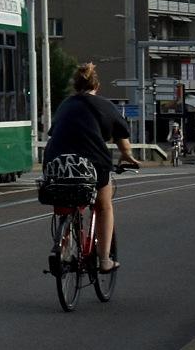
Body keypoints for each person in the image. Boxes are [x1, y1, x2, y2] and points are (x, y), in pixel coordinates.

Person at [40, 59, 131, 270]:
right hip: (92, 163)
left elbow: (55, 133)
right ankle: (105, 260)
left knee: (65, 200)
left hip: (56, 162)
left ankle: (62, 248)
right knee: (103, 205)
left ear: (75, 86)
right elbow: (124, 144)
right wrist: (128, 156)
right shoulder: (105, 106)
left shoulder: (65, 105)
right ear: (97, 87)